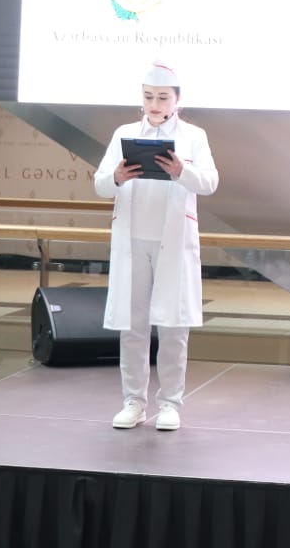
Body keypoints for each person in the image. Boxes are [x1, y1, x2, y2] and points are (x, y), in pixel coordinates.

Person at [93, 61, 219, 432]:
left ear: (177, 100)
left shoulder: (194, 136)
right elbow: (100, 182)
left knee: (173, 325)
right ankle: (133, 402)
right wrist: (115, 177)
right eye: (149, 97)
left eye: (163, 97)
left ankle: (170, 403)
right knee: (132, 327)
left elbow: (210, 182)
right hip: (133, 240)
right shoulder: (123, 134)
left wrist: (182, 171)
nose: (155, 104)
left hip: (173, 243)